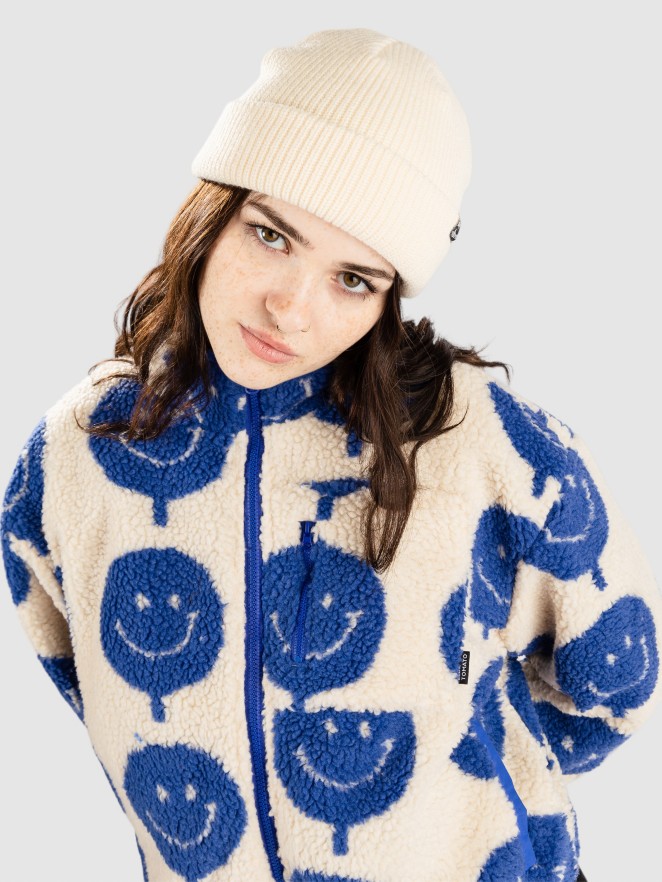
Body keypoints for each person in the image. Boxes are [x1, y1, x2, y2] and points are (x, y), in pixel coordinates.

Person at [1, 26, 660, 882]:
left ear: (387, 298)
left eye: (354, 278)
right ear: (212, 213)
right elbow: (86, 679)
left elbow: (618, 680)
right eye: (270, 235)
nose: (290, 309)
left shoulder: (479, 442)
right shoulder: (77, 453)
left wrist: (459, 749)